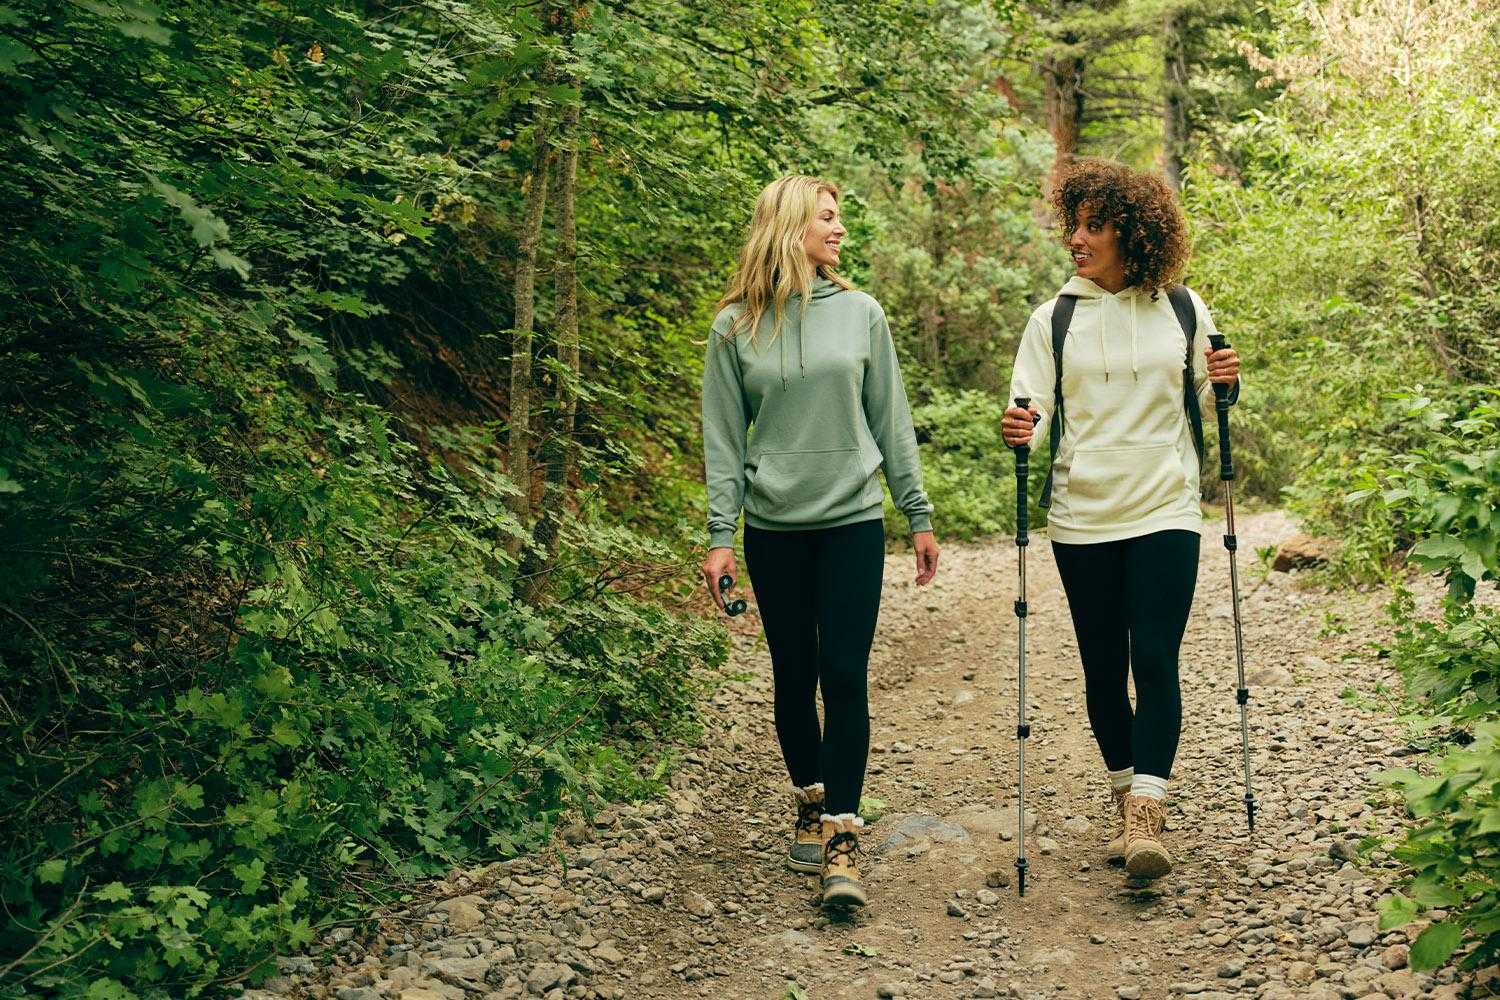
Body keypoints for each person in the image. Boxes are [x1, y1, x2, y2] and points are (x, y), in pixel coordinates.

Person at [701, 174, 940, 909]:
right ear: (790, 226)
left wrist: (917, 512)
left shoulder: (862, 315)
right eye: (827, 218)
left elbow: (890, 418)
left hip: (852, 523)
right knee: (793, 670)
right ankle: (809, 794)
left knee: (843, 671)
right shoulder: (735, 327)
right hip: (774, 527)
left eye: (840, 219)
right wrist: (720, 536)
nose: (839, 230)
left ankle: (842, 831)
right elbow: (720, 437)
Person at [1003, 158, 1241, 880]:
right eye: (1073, 223)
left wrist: (1227, 385)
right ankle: (1122, 789)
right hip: (1083, 515)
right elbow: (1031, 408)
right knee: (1102, 666)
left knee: (1155, 656)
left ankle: (1147, 813)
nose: (1076, 237)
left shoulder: (1183, 308)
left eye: (1093, 226)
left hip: (1166, 504)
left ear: (1131, 234)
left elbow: (1213, 395)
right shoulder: (1054, 319)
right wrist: (1021, 428)